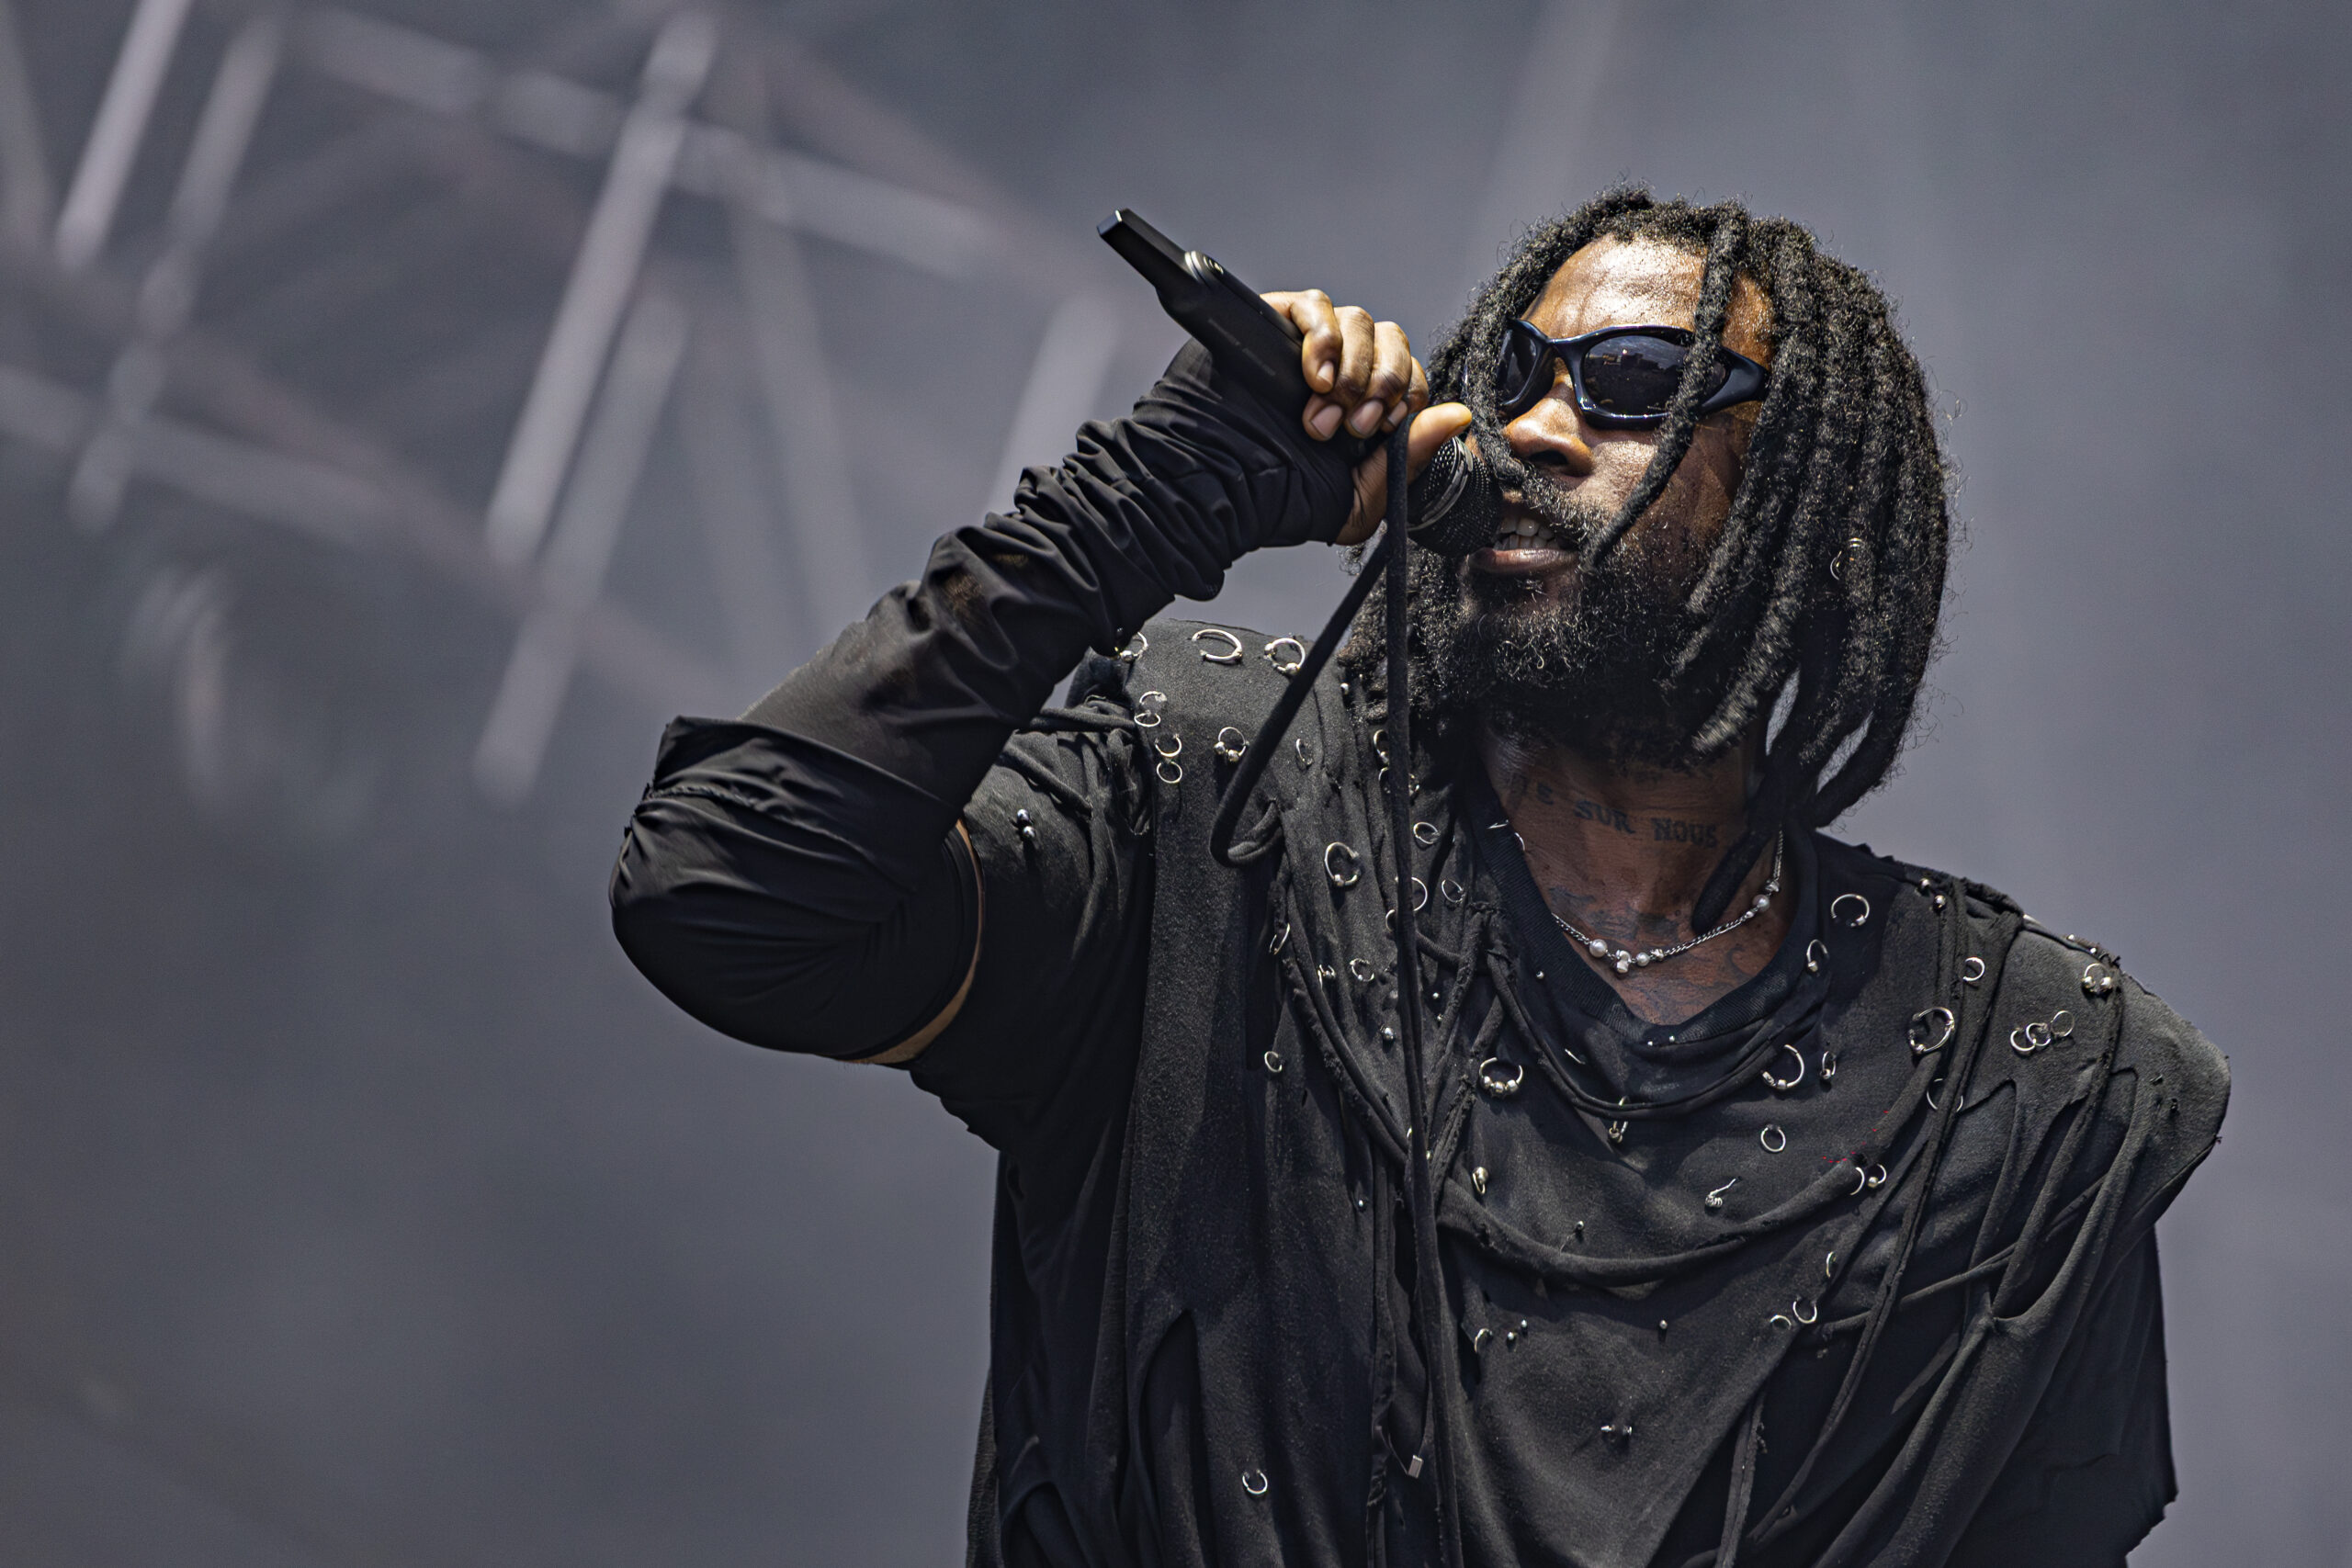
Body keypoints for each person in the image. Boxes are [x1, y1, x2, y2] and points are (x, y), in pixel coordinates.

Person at [607, 189, 2226, 1568]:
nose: (1533, 428)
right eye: (1510, 376)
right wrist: (1151, 494)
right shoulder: (1206, 801)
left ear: (1821, 503)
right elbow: (725, 887)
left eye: (1634, 385)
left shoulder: (2027, 1083)